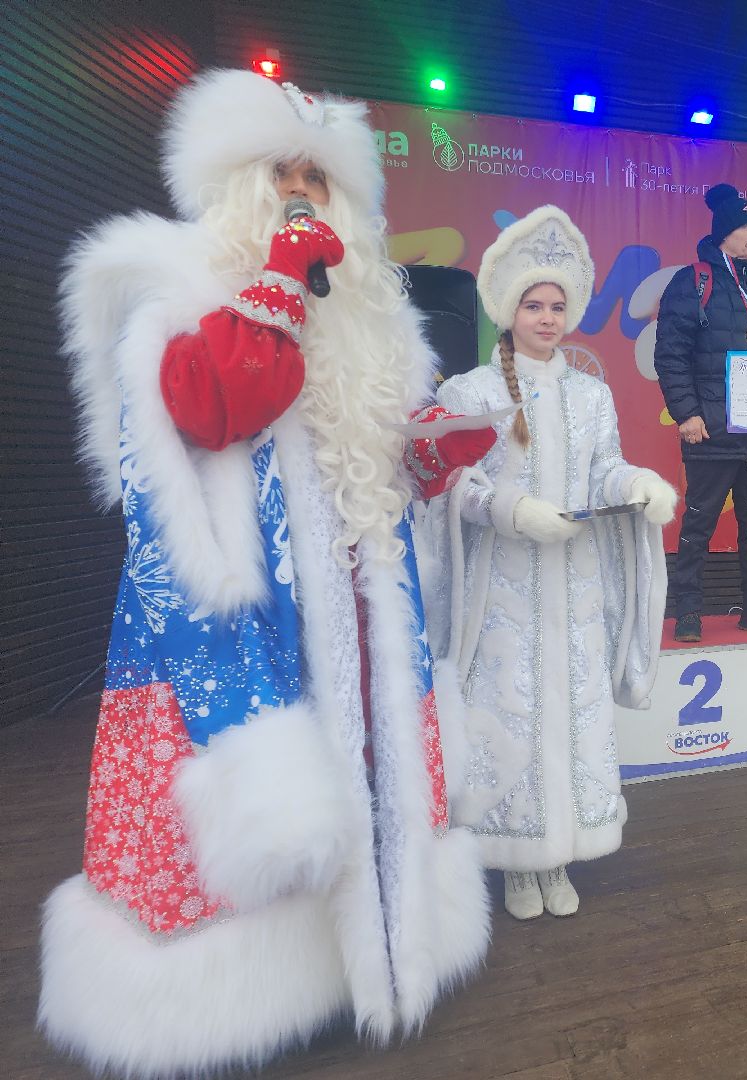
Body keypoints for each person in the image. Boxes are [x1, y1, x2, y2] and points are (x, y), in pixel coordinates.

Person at [40, 70, 497, 1076]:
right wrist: (284, 278)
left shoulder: (373, 329)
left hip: (356, 615)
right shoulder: (177, 297)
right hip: (242, 631)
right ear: (238, 186)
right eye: (280, 175)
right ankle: (230, 1000)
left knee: (363, 784)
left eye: (318, 180)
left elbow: (370, 474)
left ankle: (349, 969)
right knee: (269, 808)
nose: (301, 195)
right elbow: (219, 408)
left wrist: (433, 451)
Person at [419, 205, 677, 921]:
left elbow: (605, 471)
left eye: (557, 305)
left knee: (572, 714)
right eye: (533, 304)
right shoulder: (470, 392)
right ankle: (512, 864)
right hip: (503, 595)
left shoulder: (591, 395)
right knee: (508, 715)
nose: (546, 316)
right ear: (508, 309)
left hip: (576, 589)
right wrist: (510, 510)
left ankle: (561, 851)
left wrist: (637, 486)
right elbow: (449, 484)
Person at [654, 182, 747, 642]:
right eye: (746, 227)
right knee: (698, 525)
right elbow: (671, 355)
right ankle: (689, 613)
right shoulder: (693, 281)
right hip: (709, 432)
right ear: (723, 233)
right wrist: (687, 414)